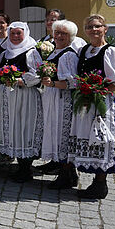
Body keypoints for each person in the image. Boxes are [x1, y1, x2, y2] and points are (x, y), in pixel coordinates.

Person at [65, 14, 115, 199]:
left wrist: (98, 92)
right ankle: (91, 179)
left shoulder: (110, 52)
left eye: (97, 26)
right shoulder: (85, 50)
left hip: (102, 103)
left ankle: (101, 183)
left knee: (101, 139)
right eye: (90, 27)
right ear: (85, 31)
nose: (94, 30)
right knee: (87, 138)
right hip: (85, 103)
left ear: (105, 29)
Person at [0, 22, 44, 182]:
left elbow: (37, 75)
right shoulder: (5, 53)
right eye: (13, 33)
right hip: (8, 96)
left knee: (24, 127)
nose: (15, 37)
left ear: (25, 33)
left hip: (25, 96)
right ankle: (19, 164)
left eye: (19, 33)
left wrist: (19, 80)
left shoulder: (31, 52)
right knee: (13, 128)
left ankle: (26, 168)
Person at [39, 20, 80, 188]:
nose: (59, 36)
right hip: (52, 97)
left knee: (63, 134)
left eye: (64, 34)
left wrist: (53, 84)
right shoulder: (55, 52)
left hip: (63, 100)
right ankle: (66, 173)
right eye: (57, 33)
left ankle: (67, 174)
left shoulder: (69, 55)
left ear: (71, 37)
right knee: (55, 133)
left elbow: (73, 82)